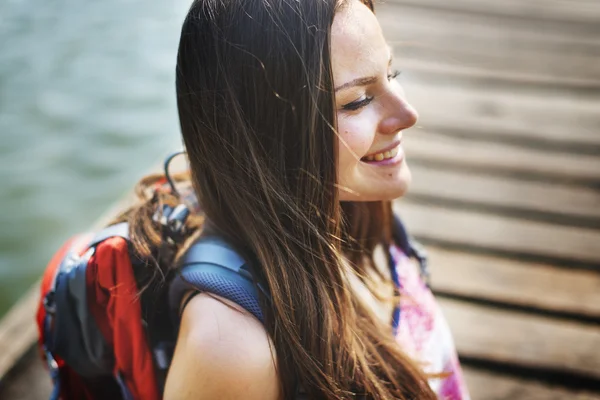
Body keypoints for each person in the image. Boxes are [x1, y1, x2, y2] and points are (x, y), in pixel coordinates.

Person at [122, 0, 471, 398]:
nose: (408, 113)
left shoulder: (351, 203)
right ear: (265, 134)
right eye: (356, 101)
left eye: (392, 73)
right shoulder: (229, 343)